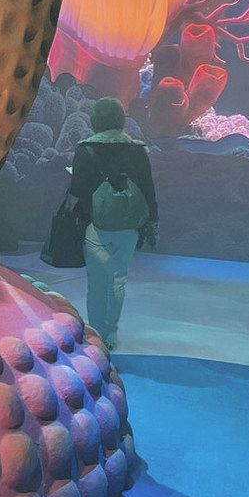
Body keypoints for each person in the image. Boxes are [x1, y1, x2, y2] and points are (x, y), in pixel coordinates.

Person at [68, 97, 158, 351]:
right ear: (121, 120)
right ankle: (111, 333)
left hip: (94, 224)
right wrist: (152, 220)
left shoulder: (85, 149)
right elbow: (148, 188)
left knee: (97, 281)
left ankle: (96, 332)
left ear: (95, 120)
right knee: (118, 278)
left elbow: (77, 190)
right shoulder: (137, 150)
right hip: (128, 224)